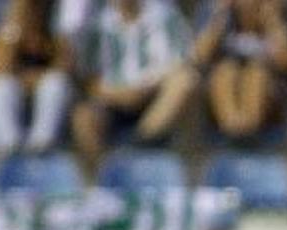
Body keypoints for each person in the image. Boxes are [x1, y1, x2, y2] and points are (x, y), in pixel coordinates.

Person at [70, 0, 197, 167]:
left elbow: (182, 62)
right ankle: (103, 178)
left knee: (186, 81)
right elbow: (88, 79)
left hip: (155, 97)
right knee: (82, 117)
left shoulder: (166, 16)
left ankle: (140, 142)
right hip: (111, 101)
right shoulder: (96, 23)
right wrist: (119, 95)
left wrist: (147, 88)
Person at [193, 0, 287, 143]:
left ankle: (246, 132)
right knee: (225, 71)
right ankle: (234, 130)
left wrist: (272, 20)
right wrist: (219, 18)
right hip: (224, 98)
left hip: (267, 98)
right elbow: (200, 57)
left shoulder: (276, 17)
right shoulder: (221, 18)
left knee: (257, 73)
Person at [0, 0, 73, 153]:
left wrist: (27, 79)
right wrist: (14, 34)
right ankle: (10, 144)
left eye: (35, 8)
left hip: (40, 97)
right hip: (15, 97)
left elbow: (63, 69)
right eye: (26, 9)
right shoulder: (6, 35)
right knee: (2, 87)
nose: (31, 14)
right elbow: (1, 70)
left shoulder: (54, 36)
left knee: (56, 84)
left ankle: (42, 143)